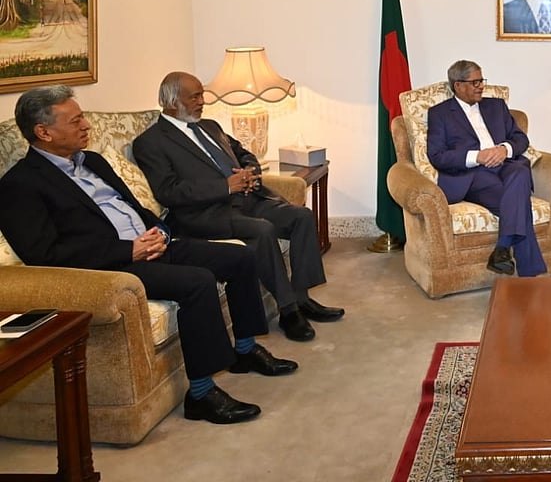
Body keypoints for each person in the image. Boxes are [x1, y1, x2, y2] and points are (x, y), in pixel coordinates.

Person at [0, 85, 298, 425]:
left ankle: (244, 350)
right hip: (113, 266)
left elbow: (133, 208)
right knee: (198, 282)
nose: (86, 125)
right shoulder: (20, 185)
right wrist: (129, 249)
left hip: (152, 244)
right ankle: (200, 393)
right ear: (44, 132)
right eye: (76, 120)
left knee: (241, 258)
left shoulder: (92, 161)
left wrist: (162, 232)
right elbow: (45, 254)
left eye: (83, 117)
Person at [133, 71, 344, 343]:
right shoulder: (151, 142)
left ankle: (302, 298)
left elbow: (243, 152)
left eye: (202, 94)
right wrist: (225, 186)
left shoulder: (209, 126)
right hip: (206, 213)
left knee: (301, 216)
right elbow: (168, 191)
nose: (203, 101)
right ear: (172, 102)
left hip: (249, 199)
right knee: (263, 230)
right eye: (195, 96)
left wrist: (249, 171)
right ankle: (288, 310)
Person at [425, 60, 545, 277]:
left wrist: (505, 149)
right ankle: (529, 273)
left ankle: (502, 249)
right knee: (518, 203)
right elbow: (437, 156)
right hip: (473, 174)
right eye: (475, 82)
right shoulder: (440, 113)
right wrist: (477, 157)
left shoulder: (496, 106)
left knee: (520, 171)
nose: (481, 86)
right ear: (458, 85)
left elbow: (520, 139)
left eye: (482, 81)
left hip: (506, 166)